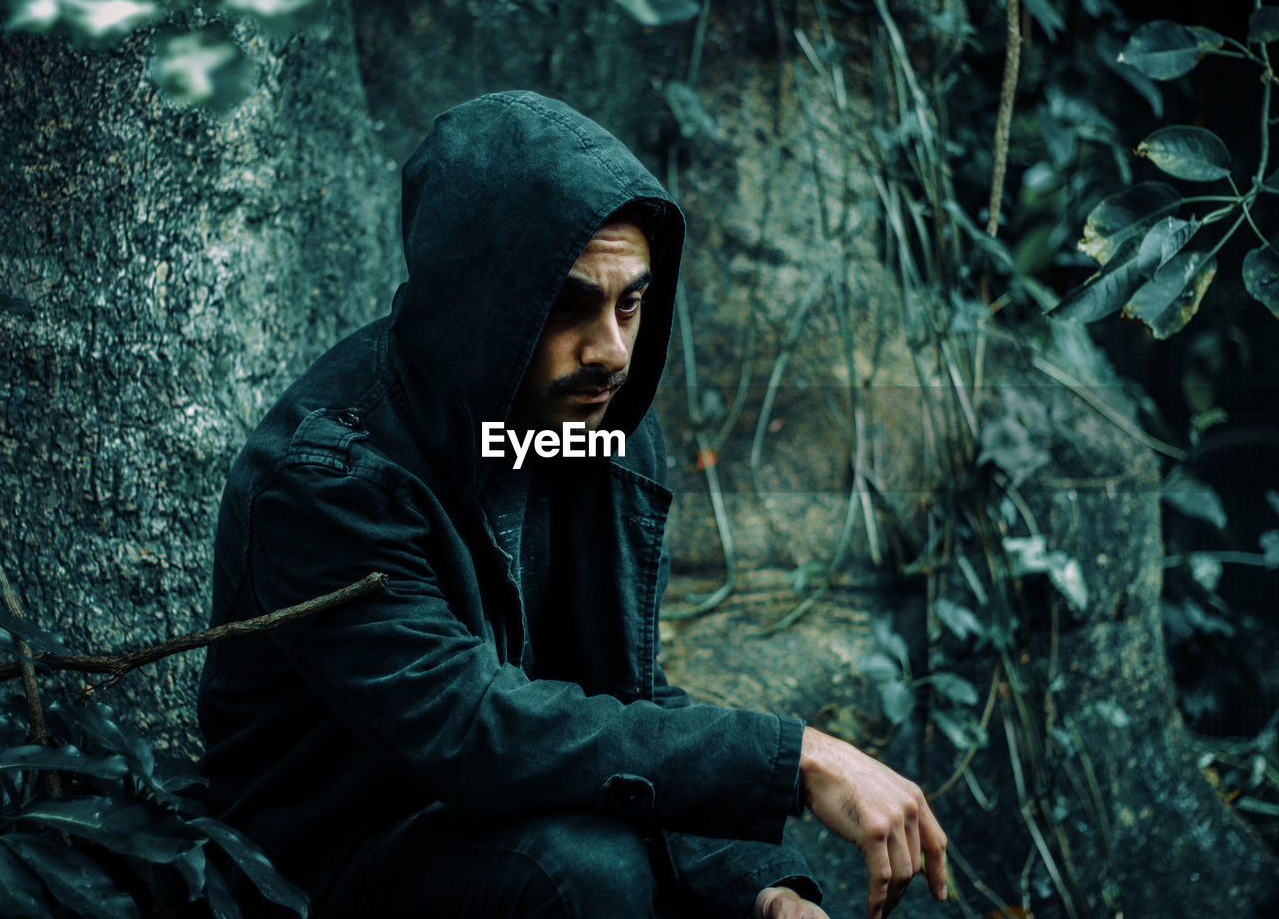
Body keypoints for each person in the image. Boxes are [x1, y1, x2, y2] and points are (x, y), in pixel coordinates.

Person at [197, 90, 947, 919]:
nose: (612, 353)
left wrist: (761, 890)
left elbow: (617, 700)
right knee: (585, 871)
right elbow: (475, 730)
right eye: (570, 305)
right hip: (318, 863)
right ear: (481, 300)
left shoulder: (585, 437)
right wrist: (795, 758)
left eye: (631, 303)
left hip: (502, 815)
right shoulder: (333, 480)